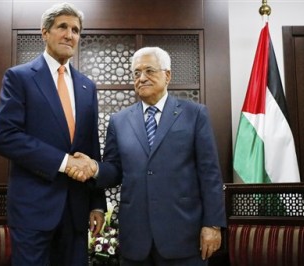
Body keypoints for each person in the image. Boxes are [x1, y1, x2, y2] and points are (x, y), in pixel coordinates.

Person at [68, 47, 226, 265]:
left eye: (149, 71)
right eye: (136, 73)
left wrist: (213, 225)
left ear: (167, 75)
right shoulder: (119, 121)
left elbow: (210, 173)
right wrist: (95, 168)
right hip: (135, 237)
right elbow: (114, 171)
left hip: (184, 235)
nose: (141, 78)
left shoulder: (194, 114)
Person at [0, 2, 106, 265]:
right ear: (44, 32)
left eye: (76, 30)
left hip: (76, 212)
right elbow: (5, 136)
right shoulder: (19, 77)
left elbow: (92, 149)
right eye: (62, 27)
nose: (70, 34)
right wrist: (65, 163)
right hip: (34, 211)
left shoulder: (87, 86)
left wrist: (97, 204)